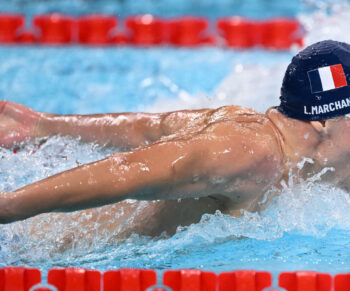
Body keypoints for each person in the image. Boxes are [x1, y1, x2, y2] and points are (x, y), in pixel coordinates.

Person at [1, 39, 350, 238]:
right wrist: (12, 205)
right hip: (55, 251)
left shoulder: (320, 161)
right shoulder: (248, 152)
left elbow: (150, 126)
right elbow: (127, 170)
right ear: (322, 120)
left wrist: (44, 125)